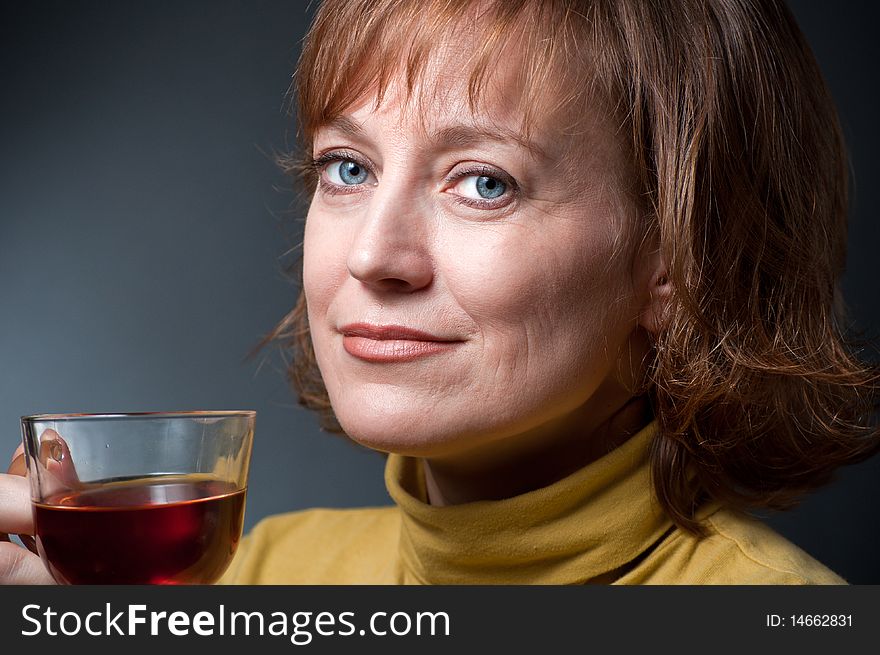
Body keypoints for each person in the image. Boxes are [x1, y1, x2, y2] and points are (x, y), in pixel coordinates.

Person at [2, 0, 878, 585]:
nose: (374, 257)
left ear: (676, 263)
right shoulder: (258, 575)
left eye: (484, 182)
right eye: (347, 169)